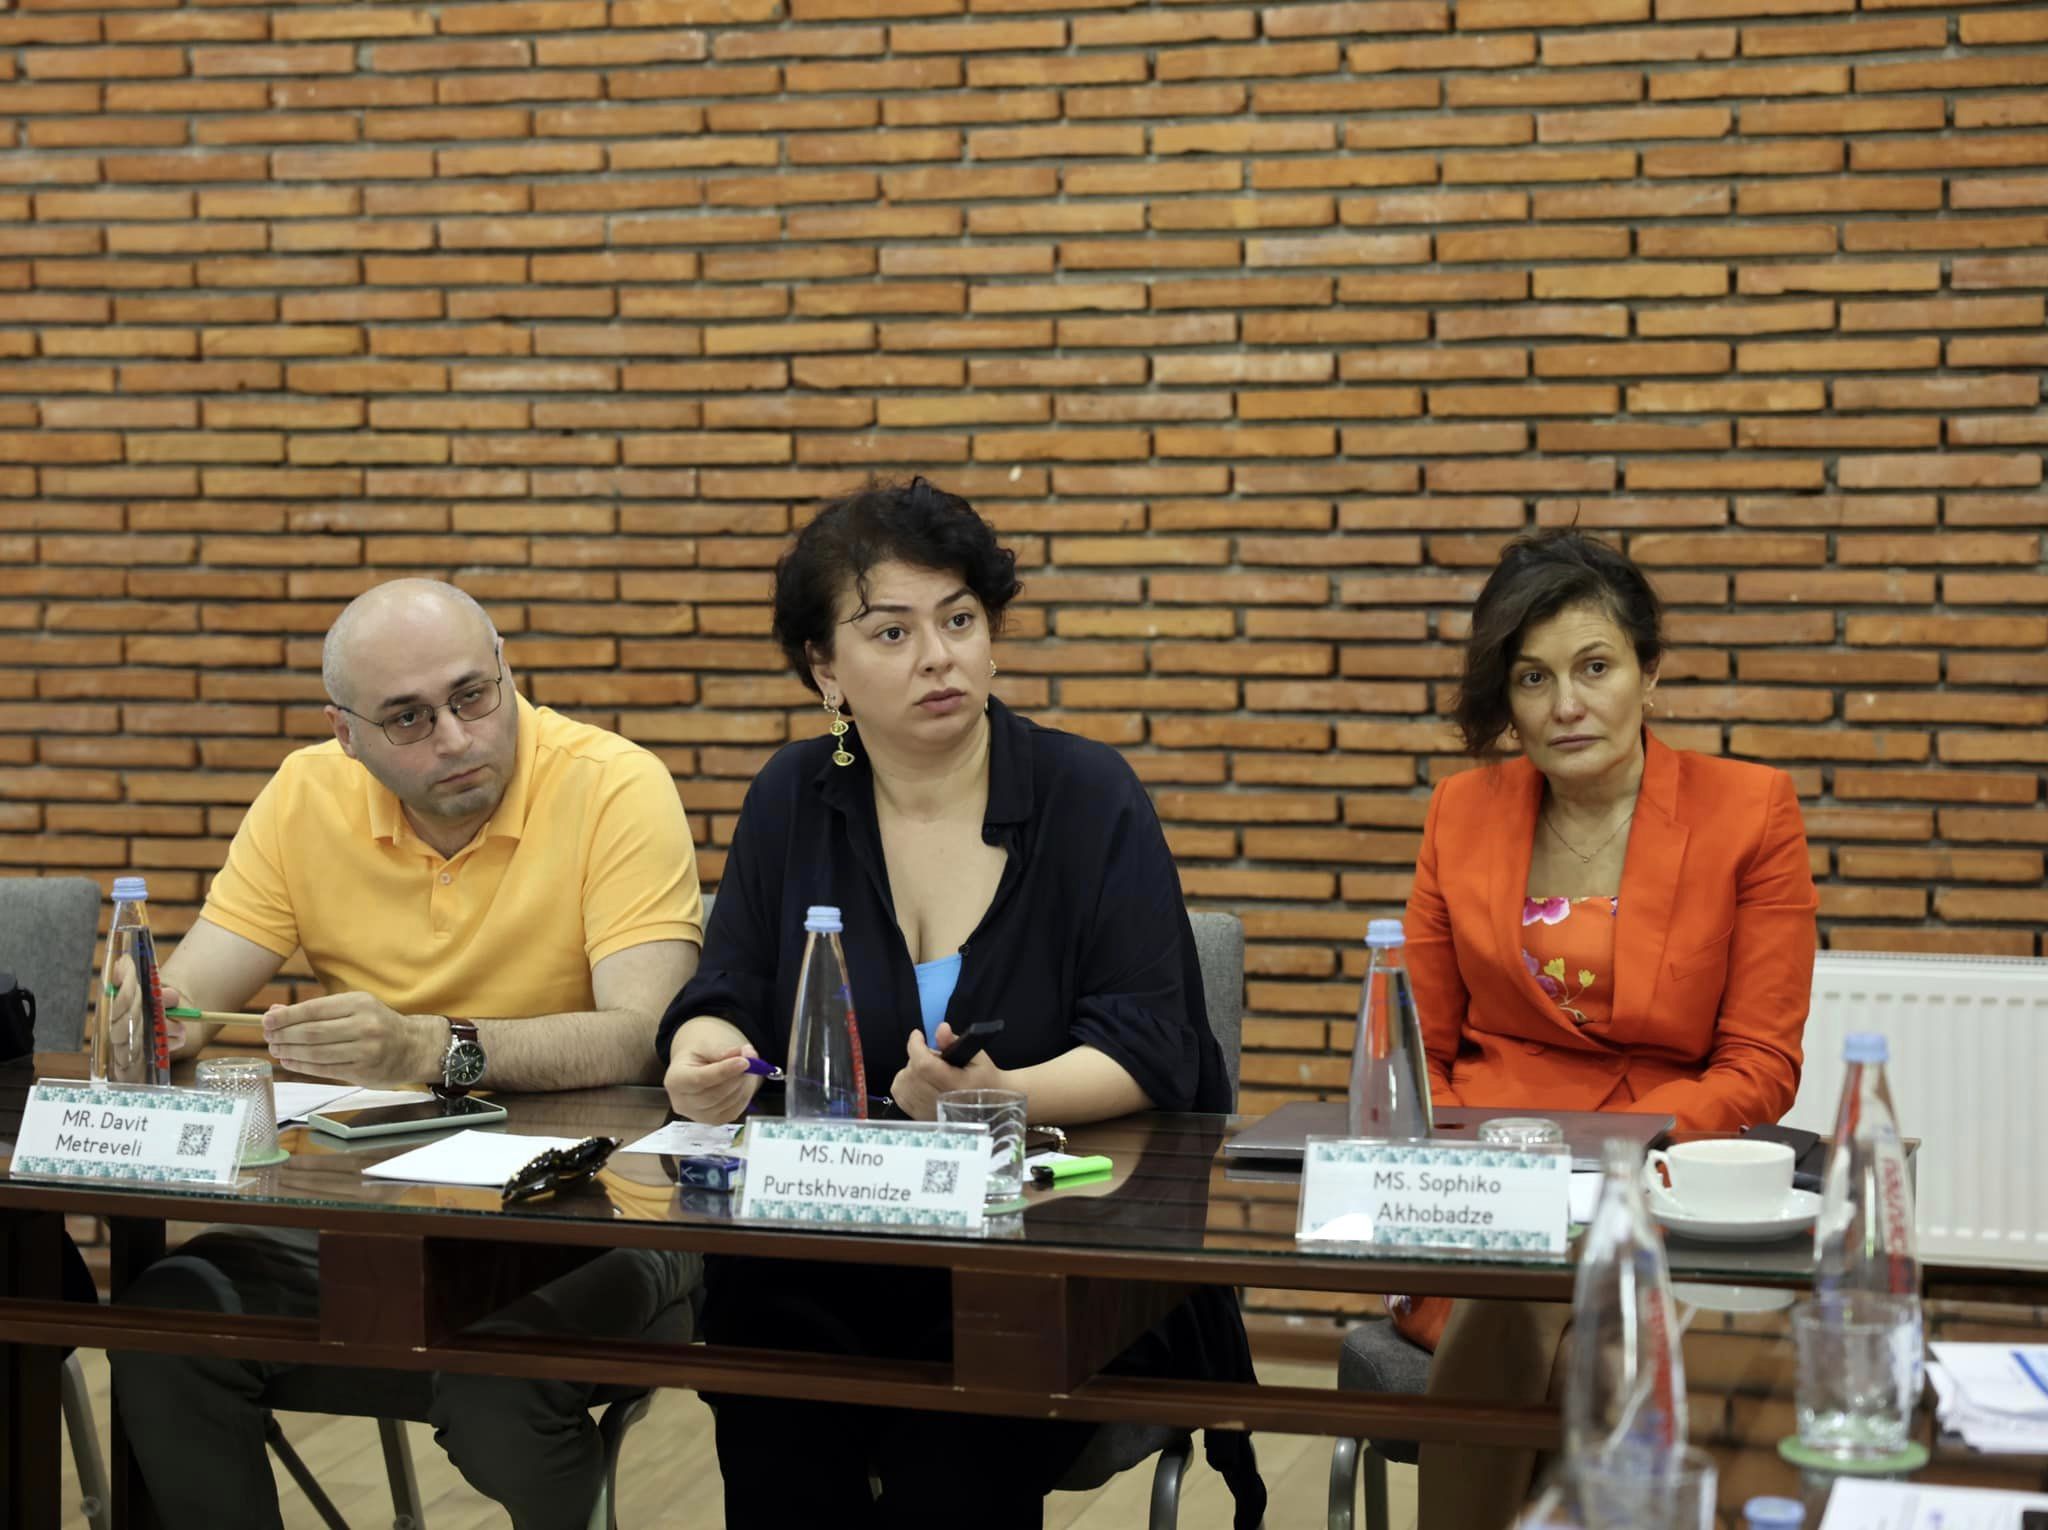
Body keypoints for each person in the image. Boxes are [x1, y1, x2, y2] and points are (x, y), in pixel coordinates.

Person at [657, 476, 1265, 1530]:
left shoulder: (1089, 796)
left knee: (953, 1455)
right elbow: (727, 992)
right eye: (891, 632)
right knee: (776, 1415)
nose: (938, 657)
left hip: (1053, 1253)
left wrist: (1001, 1098)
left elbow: (1155, 1041)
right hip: (835, 1249)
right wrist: (701, 1055)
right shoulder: (791, 797)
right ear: (825, 670)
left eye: (959, 620)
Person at [108, 578, 706, 1530]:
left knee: (498, 1393)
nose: (457, 738)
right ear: (347, 735)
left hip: (600, 1206)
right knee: (166, 1323)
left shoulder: (612, 784)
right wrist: (150, 1015)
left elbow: (644, 1034)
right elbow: (185, 999)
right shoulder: (308, 793)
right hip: (375, 1208)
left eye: (474, 695)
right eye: (408, 719)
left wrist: (429, 1045)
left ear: (507, 670)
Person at [1394, 528, 1818, 1527]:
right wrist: (1474, 1174)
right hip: (1497, 1186)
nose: (1565, 705)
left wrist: (1616, 1158)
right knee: (1539, 1306)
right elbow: (1419, 1051)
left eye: (1594, 667)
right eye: (1532, 678)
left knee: (1604, 1330)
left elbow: (1760, 1061)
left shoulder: (1749, 810)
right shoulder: (1459, 811)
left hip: (1664, 1169)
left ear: (1648, 672)